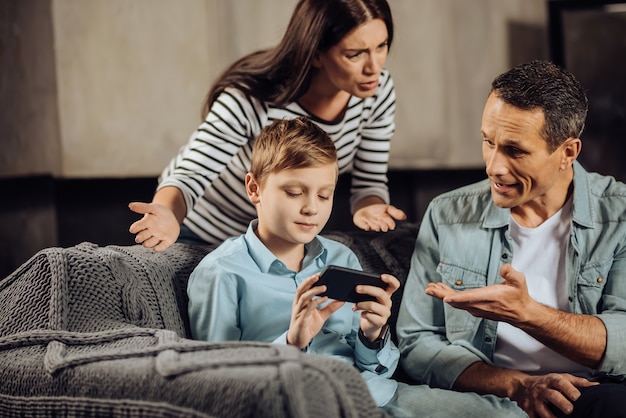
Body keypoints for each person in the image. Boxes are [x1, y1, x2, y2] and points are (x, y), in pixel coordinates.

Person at [187, 117, 524, 417]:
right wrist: (292, 342)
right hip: (302, 403)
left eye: (323, 196)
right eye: (294, 192)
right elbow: (219, 386)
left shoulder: (340, 258)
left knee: (509, 414)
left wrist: (373, 333)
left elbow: (378, 369)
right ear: (254, 188)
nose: (311, 209)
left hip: (375, 395)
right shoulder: (221, 273)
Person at [396, 60, 626, 418]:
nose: (493, 166)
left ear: (568, 152)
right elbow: (417, 342)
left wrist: (527, 314)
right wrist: (517, 385)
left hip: (591, 396)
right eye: (488, 142)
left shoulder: (621, 215)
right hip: (490, 398)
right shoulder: (447, 214)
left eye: (515, 151)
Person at [128, 0, 407, 252]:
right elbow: (191, 174)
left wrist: (370, 208)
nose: (374, 67)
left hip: (273, 242)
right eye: (355, 54)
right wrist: (167, 213)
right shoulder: (251, 98)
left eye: (381, 47)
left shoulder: (378, 92)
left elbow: (369, 182)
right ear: (316, 54)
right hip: (200, 231)